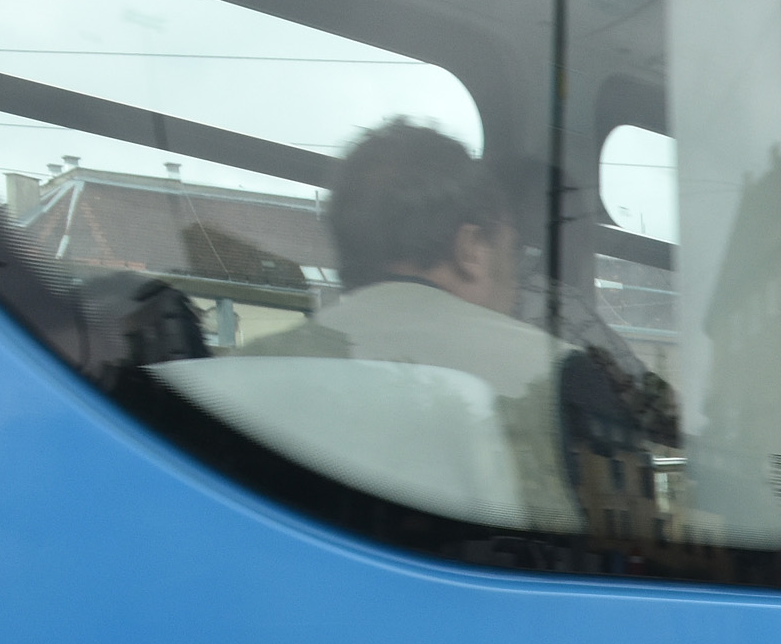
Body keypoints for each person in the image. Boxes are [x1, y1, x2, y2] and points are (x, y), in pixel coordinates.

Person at [252, 121, 588, 530]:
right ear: (470, 249)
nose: (517, 287)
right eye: (512, 252)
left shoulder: (248, 365)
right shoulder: (558, 377)